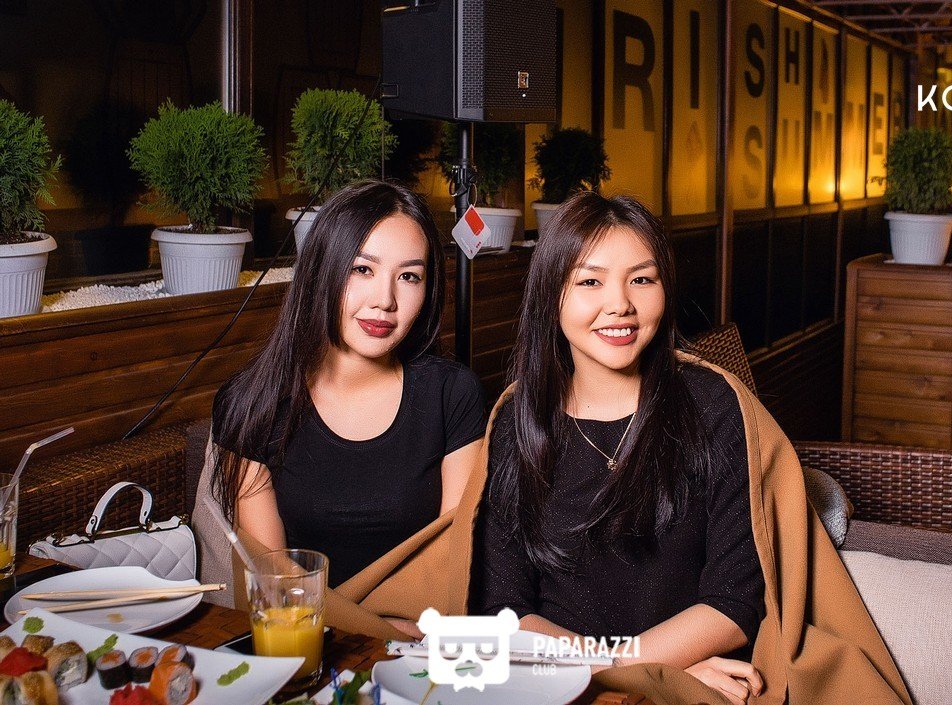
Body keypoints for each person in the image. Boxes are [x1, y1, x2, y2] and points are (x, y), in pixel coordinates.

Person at [471, 192, 765, 705]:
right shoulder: (518, 421)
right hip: (560, 687)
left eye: (642, 279)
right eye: (590, 281)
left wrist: (642, 675)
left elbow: (734, 600)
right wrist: (632, 671)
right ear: (551, 295)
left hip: (687, 687)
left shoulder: (714, 404)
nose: (620, 304)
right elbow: (505, 611)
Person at [209, 180, 486, 591]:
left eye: (409, 276)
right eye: (362, 269)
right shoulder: (251, 403)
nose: (385, 300)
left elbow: (451, 560)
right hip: (304, 624)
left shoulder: (452, 395)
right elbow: (273, 580)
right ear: (322, 271)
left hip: (422, 624)